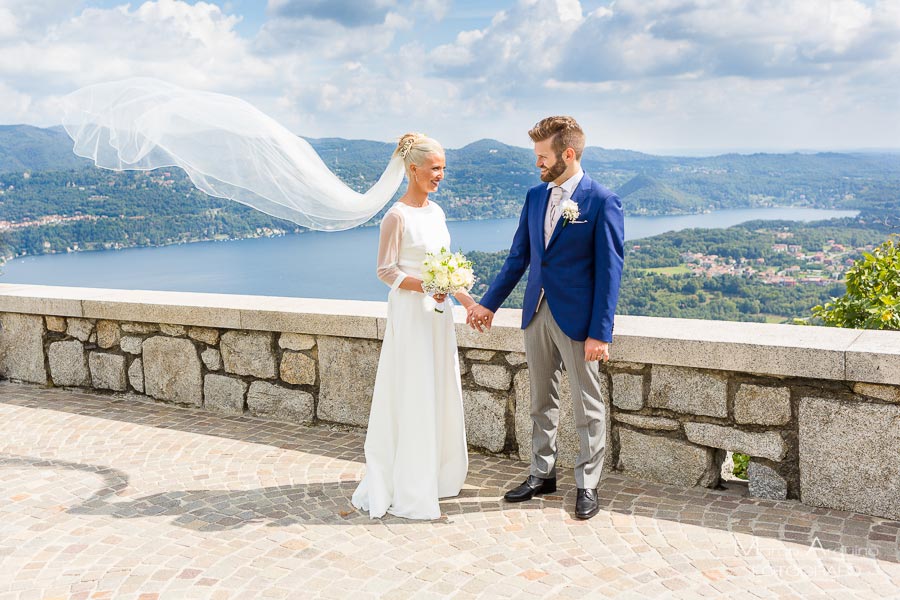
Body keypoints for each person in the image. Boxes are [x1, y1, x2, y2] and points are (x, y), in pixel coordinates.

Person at [467, 116, 625, 520]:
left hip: (579, 321)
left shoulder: (602, 201)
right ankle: (542, 473)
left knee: (588, 405)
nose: (537, 165)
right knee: (541, 400)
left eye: (543, 157)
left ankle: (587, 484)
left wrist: (600, 333)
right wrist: (488, 304)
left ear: (567, 155)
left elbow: (610, 272)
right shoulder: (535, 197)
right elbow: (518, 257)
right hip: (536, 312)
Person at [351, 133, 473, 520]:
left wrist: (469, 303)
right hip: (410, 313)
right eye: (435, 168)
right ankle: (408, 480)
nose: (440, 175)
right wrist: (428, 286)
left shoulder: (436, 213)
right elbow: (385, 271)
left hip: (438, 317)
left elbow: (446, 266)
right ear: (413, 168)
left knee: (439, 386)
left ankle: (438, 475)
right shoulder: (396, 216)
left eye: (443, 168)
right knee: (413, 389)